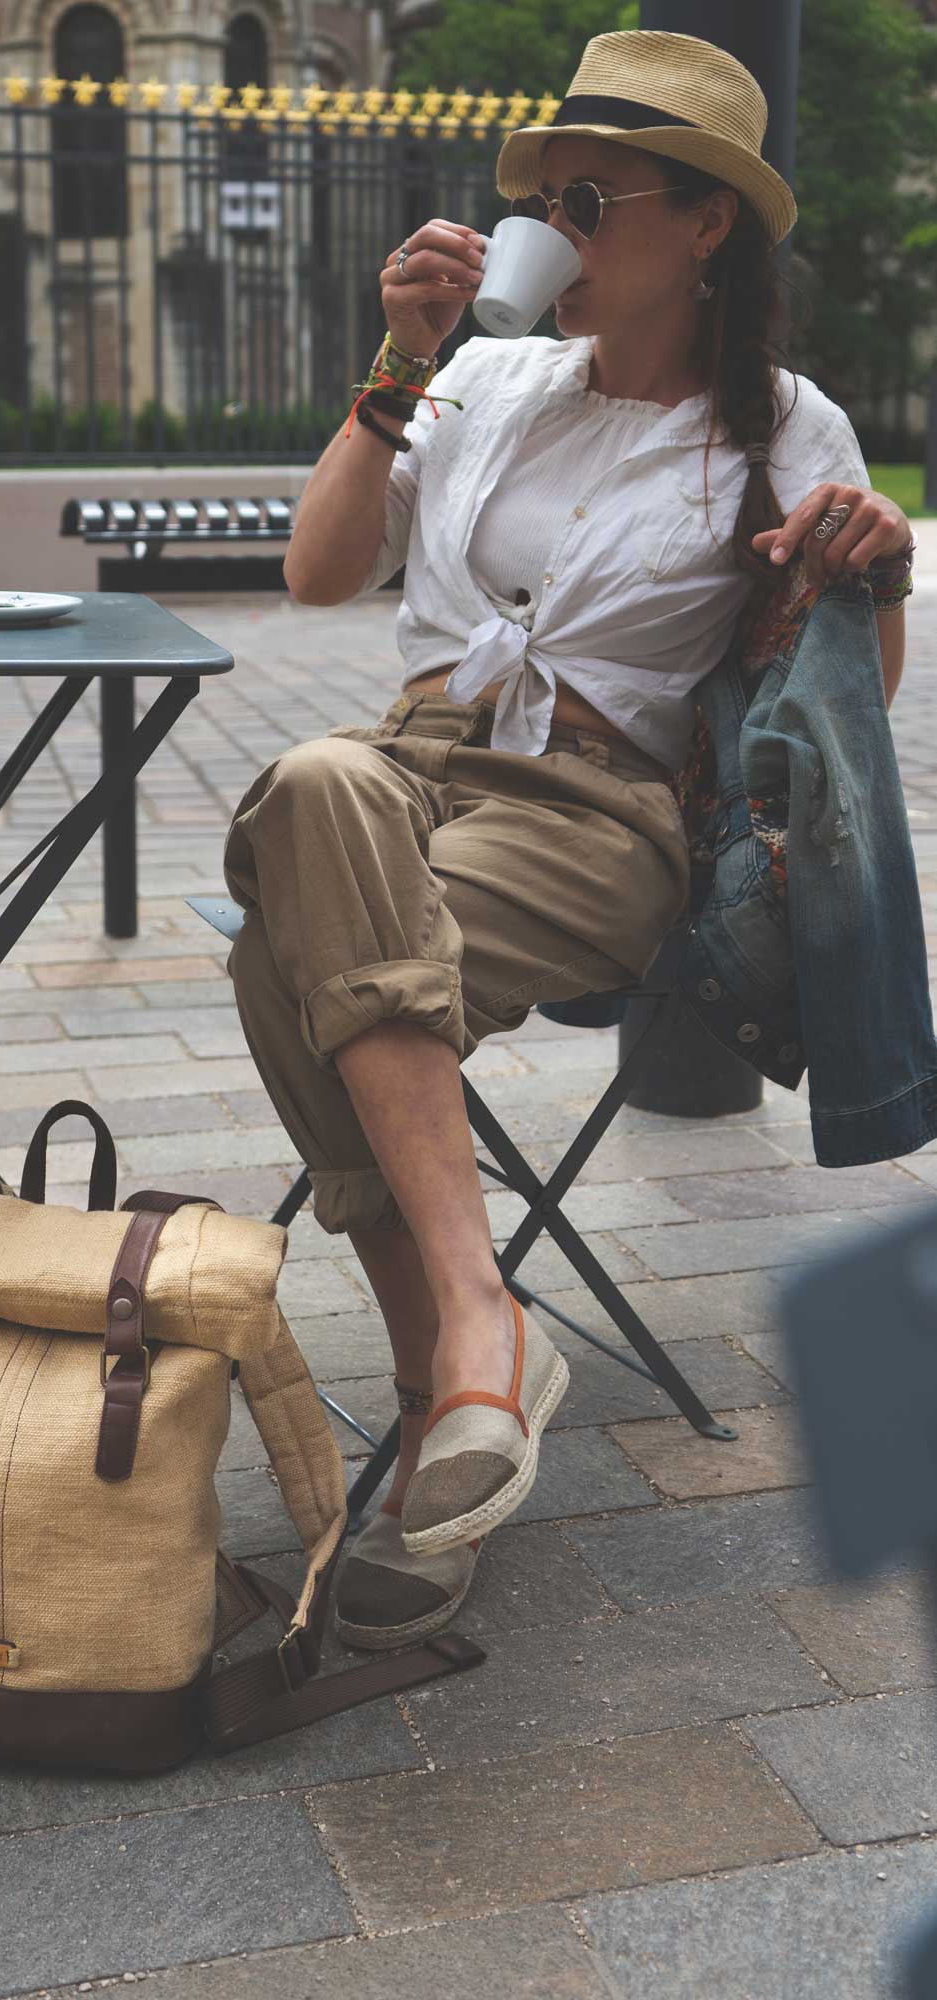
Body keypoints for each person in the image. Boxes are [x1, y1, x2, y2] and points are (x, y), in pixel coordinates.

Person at [220, 30, 916, 1649]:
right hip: (401, 771)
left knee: (294, 942)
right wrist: (396, 359)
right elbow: (316, 579)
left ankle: (454, 1363)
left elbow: (847, 696)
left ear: (705, 227)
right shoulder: (479, 379)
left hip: (594, 810)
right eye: (545, 193)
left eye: (594, 198)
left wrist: (866, 569)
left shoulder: (784, 424)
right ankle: (476, 1347)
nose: (557, 222)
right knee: (326, 795)